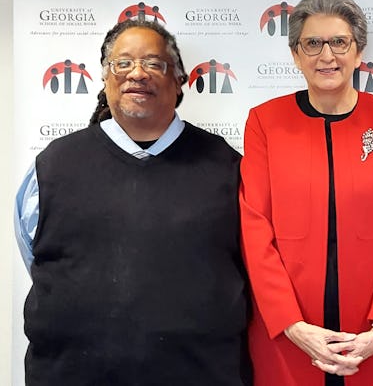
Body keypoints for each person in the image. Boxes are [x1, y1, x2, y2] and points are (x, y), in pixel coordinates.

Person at [14, 19, 252, 386]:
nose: (137, 74)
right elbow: (33, 254)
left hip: (200, 373)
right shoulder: (54, 165)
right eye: (122, 63)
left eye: (154, 63)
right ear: (105, 78)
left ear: (179, 80)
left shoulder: (228, 168)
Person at [239, 0, 373, 386]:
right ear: (295, 55)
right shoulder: (264, 122)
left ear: (358, 52)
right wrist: (290, 323)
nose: (327, 56)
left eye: (339, 42)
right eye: (313, 44)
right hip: (290, 335)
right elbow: (255, 232)